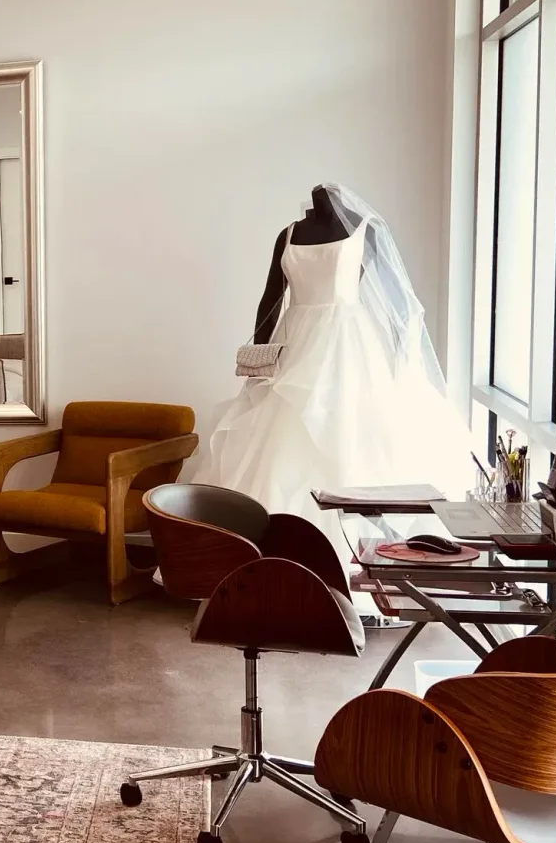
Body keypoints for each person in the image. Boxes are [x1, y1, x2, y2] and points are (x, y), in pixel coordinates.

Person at [189, 184, 475, 563]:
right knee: (280, 443)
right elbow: (270, 300)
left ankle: (354, 561)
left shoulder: (365, 229)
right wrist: (260, 361)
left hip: (350, 348)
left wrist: (400, 367)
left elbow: (399, 304)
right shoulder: (288, 235)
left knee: (349, 442)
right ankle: (271, 564)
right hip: (295, 351)